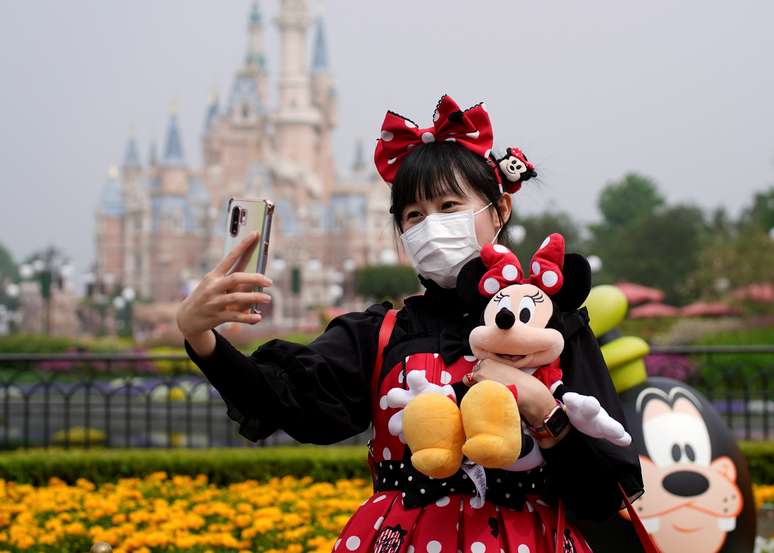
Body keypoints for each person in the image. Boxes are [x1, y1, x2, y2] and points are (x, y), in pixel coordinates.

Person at [178, 95, 644, 553]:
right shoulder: (381, 335)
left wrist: (543, 409)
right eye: (414, 216)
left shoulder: (551, 330)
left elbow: (603, 494)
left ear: (499, 211)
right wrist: (200, 336)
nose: (430, 226)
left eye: (448, 207)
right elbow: (283, 397)